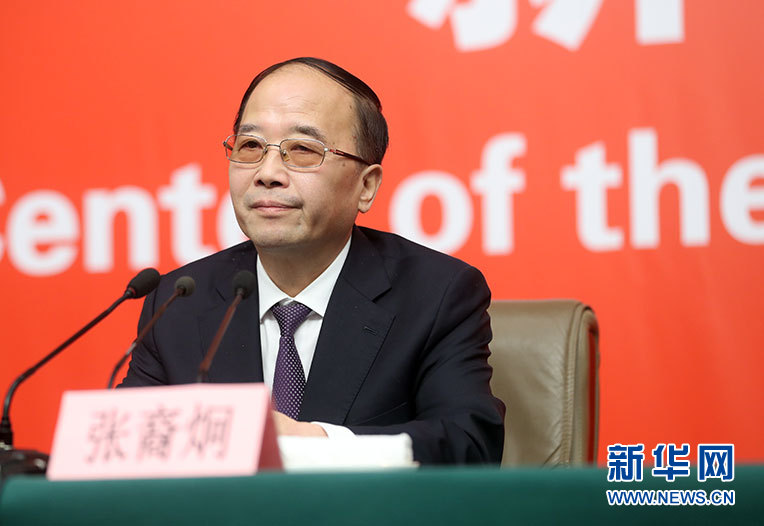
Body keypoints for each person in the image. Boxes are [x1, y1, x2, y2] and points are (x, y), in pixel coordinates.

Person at [121, 57, 505, 464]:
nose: (267, 173)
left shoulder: (436, 294)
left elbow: (469, 444)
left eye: (302, 150)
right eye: (250, 146)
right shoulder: (178, 302)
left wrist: (312, 442)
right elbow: (125, 451)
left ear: (366, 186)